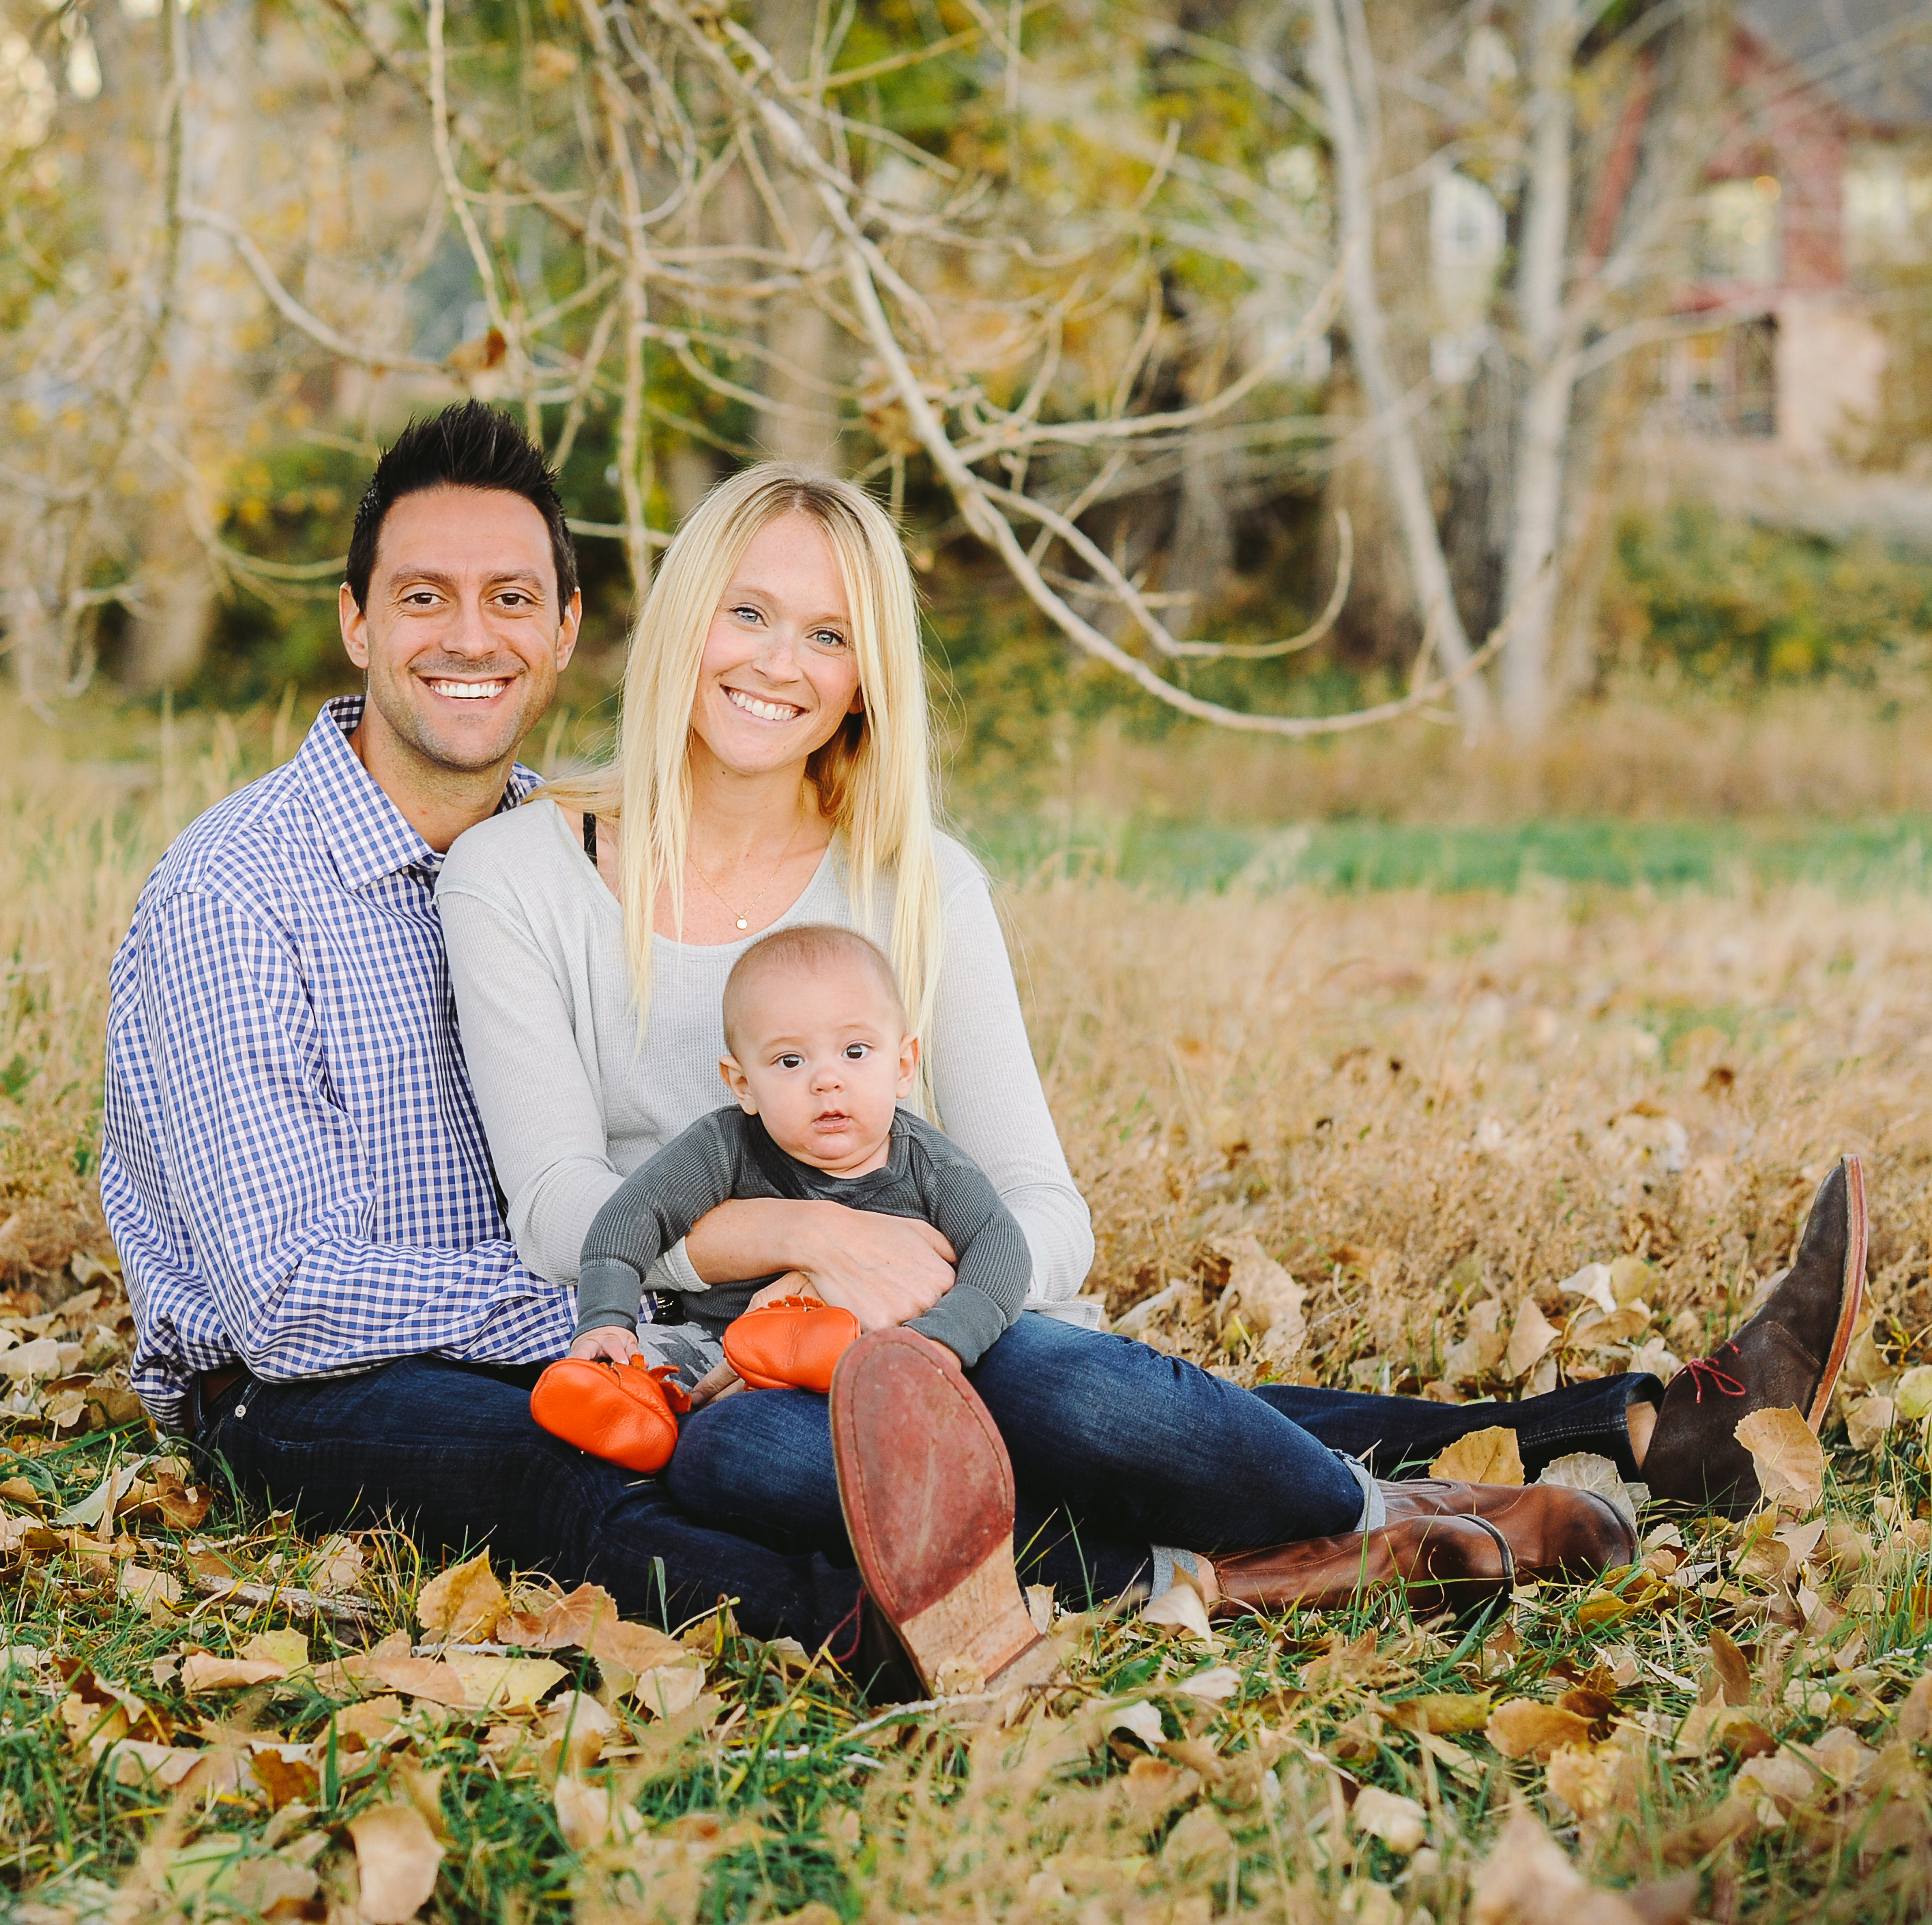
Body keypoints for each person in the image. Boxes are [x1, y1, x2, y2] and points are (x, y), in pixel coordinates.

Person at [98, 401, 1864, 1702]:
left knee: (1066, 1389)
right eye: (747, 611)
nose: (779, 661)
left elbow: (1033, 1212)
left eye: (828, 629)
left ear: (567, 634)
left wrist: (918, 1300)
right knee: (748, 1469)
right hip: (493, 1356)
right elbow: (385, 1268)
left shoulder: (900, 880)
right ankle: (1288, 1555)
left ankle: (1623, 1428)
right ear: (356, 619)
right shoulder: (412, 876)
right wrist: (767, 1272)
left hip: (850, 1327)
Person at [568, 922, 1028, 1383]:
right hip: (724, 1349)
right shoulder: (724, 1145)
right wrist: (607, 1317)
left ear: (903, 1066)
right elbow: (632, 1214)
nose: (826, 1080)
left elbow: (1001, 1245)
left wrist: (941, 1342)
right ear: (744, 1085)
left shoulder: (931, 1166)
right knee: (639, 1365)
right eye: (791, 1061)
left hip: (888, 1353)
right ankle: (619, 1408)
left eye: (854, 1051)